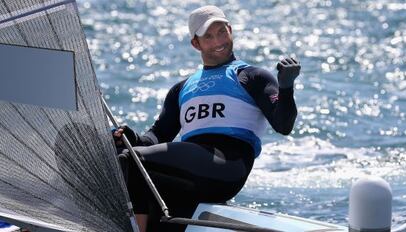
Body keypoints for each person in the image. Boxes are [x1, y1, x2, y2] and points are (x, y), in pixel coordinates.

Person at [113, 5, 300, 232]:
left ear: (230, 29)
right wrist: (131, 138)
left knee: (130, 161)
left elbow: (284, 125)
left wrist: (286, 87)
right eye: (208, 36)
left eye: (222, 31)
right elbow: (157, 136)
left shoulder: (252, 76)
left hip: (229, 166)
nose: (218, 40)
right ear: (196, 43)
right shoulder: (181, 89)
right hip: (190, 172)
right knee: (122, 157)